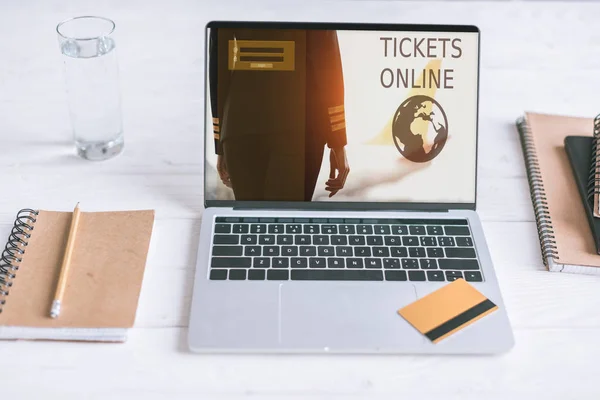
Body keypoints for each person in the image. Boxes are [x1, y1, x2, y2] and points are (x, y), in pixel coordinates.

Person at [209, 27, 350, 201]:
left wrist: (221, 141)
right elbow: (326, 60)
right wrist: (337, 141)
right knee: (287, 222)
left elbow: (220, 63)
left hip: (240, 124)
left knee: (251, 224)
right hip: (300, 127)